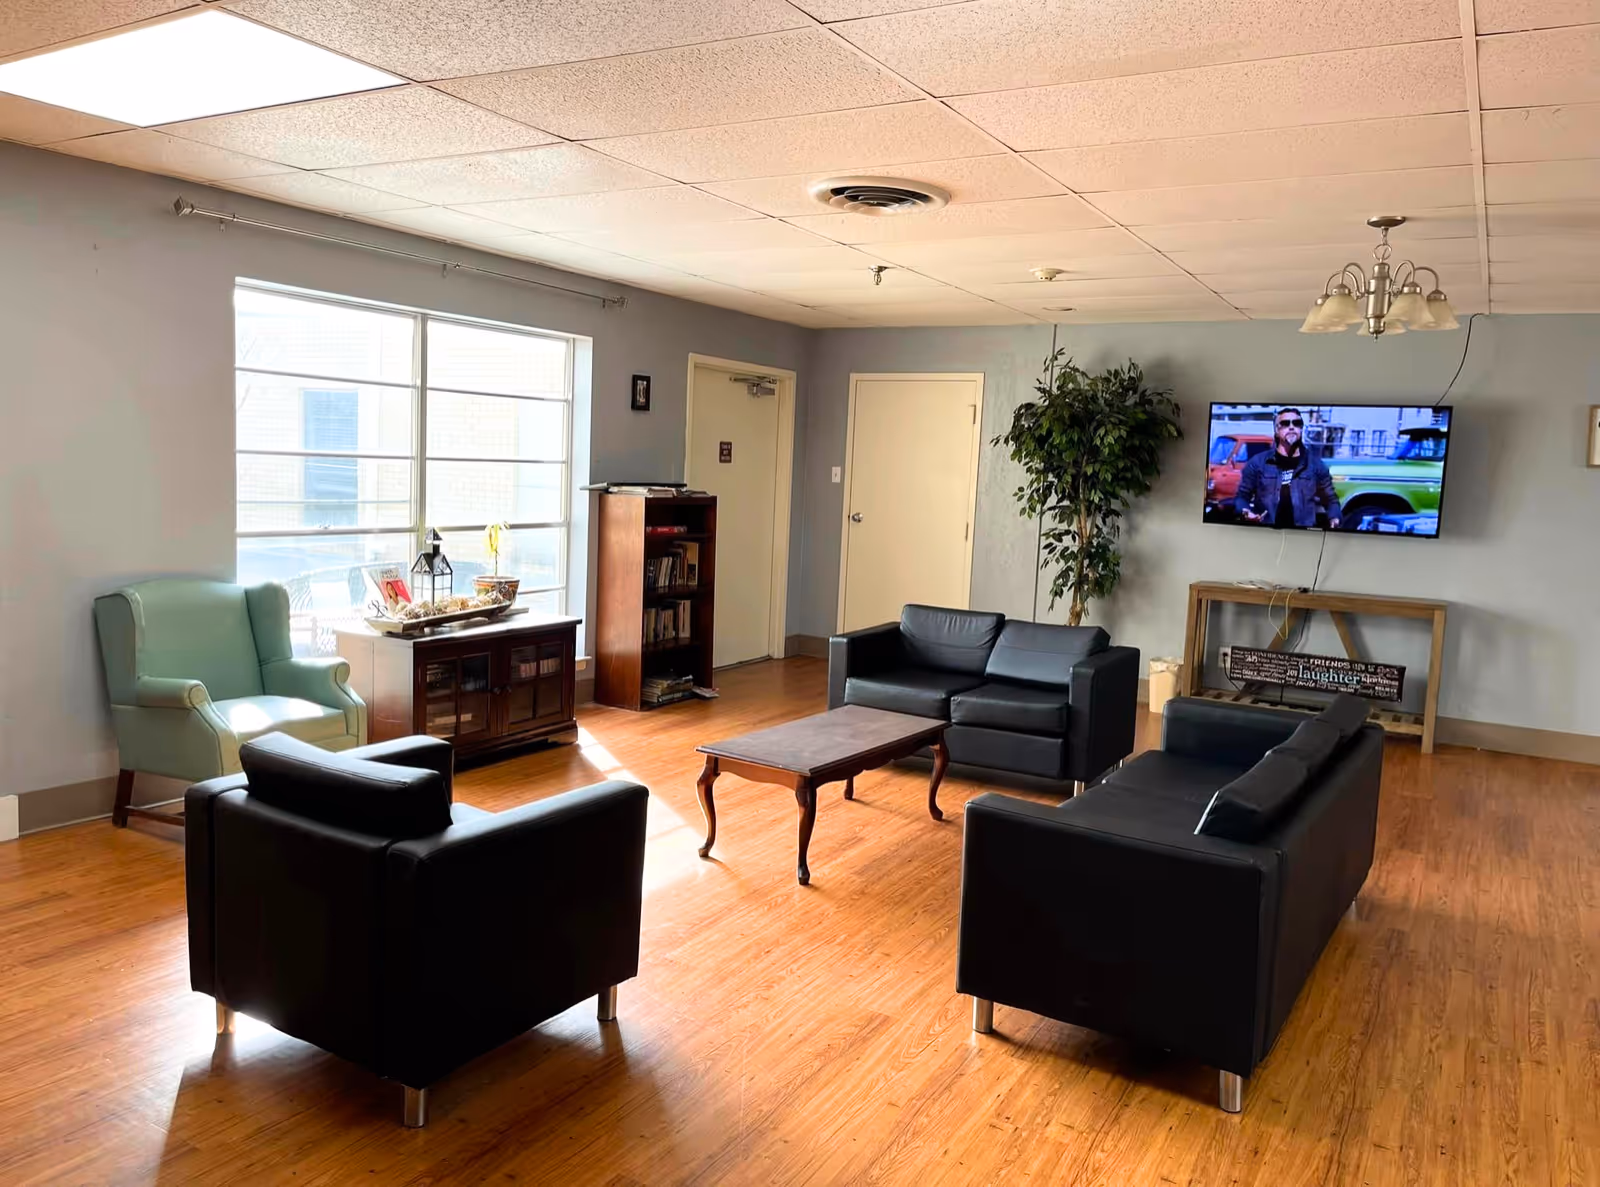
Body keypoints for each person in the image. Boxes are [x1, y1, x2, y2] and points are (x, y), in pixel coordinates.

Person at [1233, 408, 1342, 529]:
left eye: (1296, 423)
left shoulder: (1316, 465)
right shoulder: (1257, 463)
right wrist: (1246, 512)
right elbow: (1241, 497)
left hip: (1303, 536)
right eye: (1285, 424)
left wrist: (1334, 518)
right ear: (1276, 430)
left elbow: (1331, 500)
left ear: (1301, 429)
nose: (1291, 427)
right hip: (1266, 534)